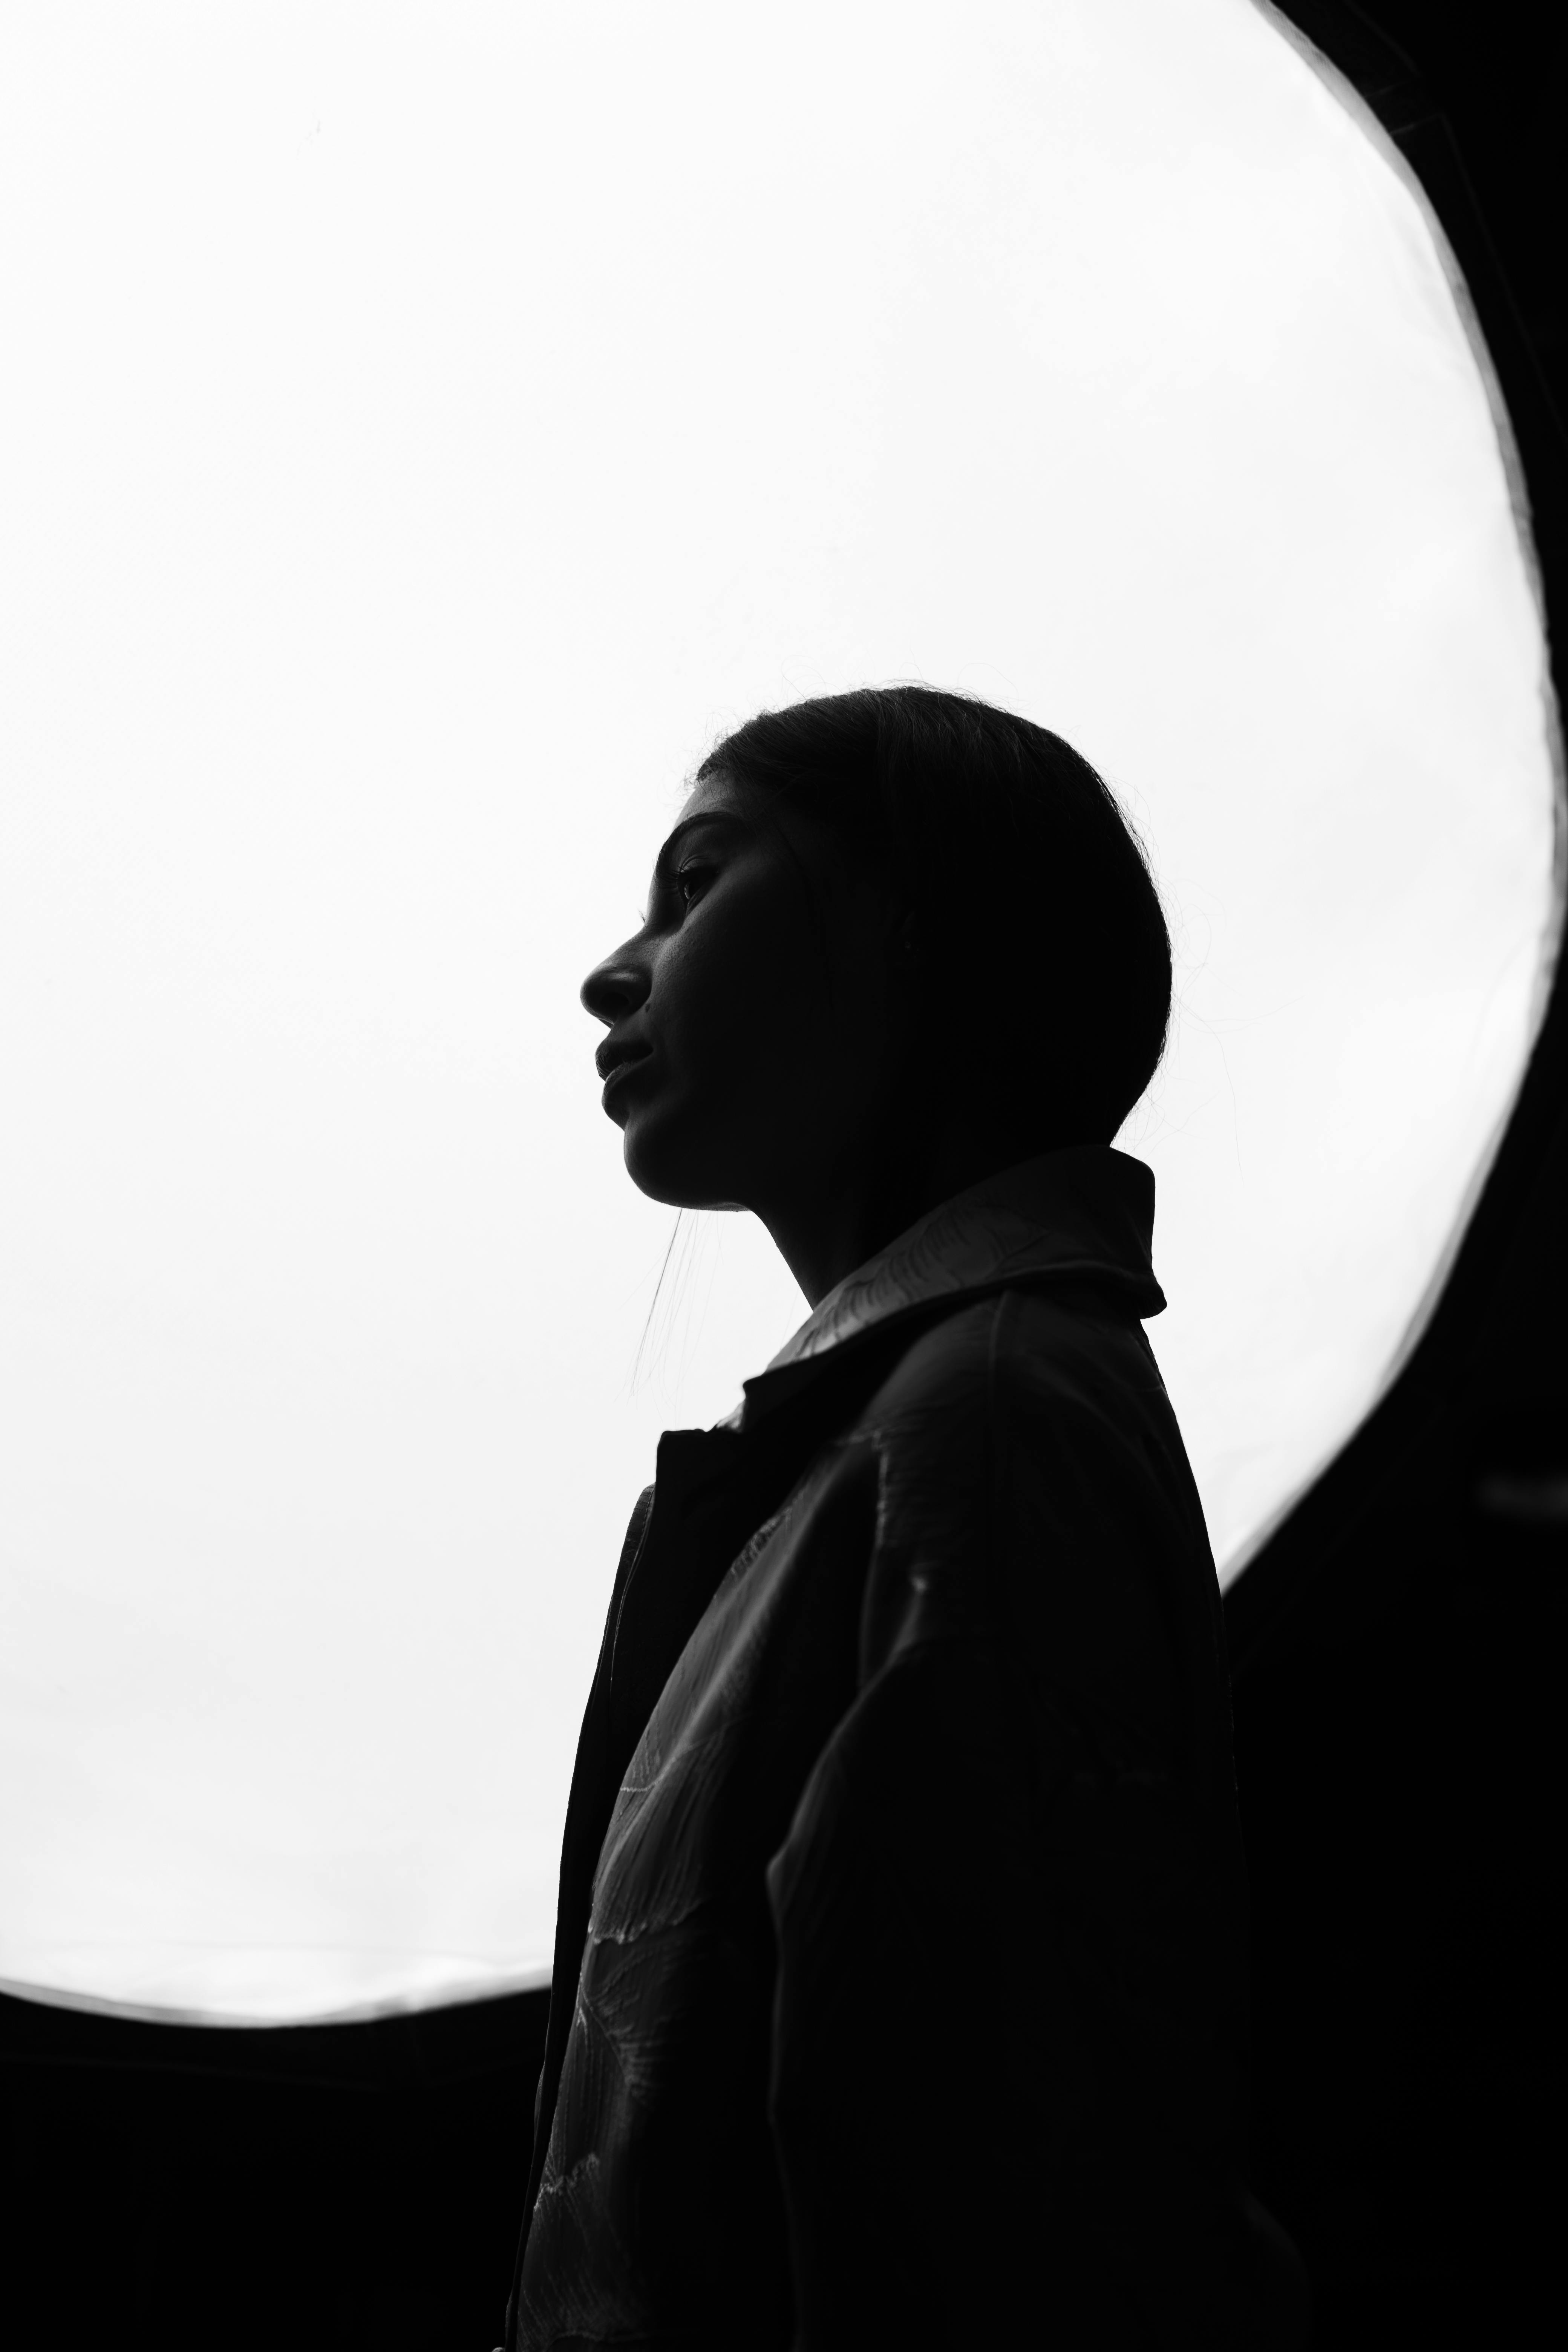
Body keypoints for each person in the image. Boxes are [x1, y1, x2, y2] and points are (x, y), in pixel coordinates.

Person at [502, 686, 1308, 2349]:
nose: (609, 971)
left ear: (911, 929)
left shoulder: (989, 1426)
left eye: (696, 881)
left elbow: (1014, 2218)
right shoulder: (912, 1425)